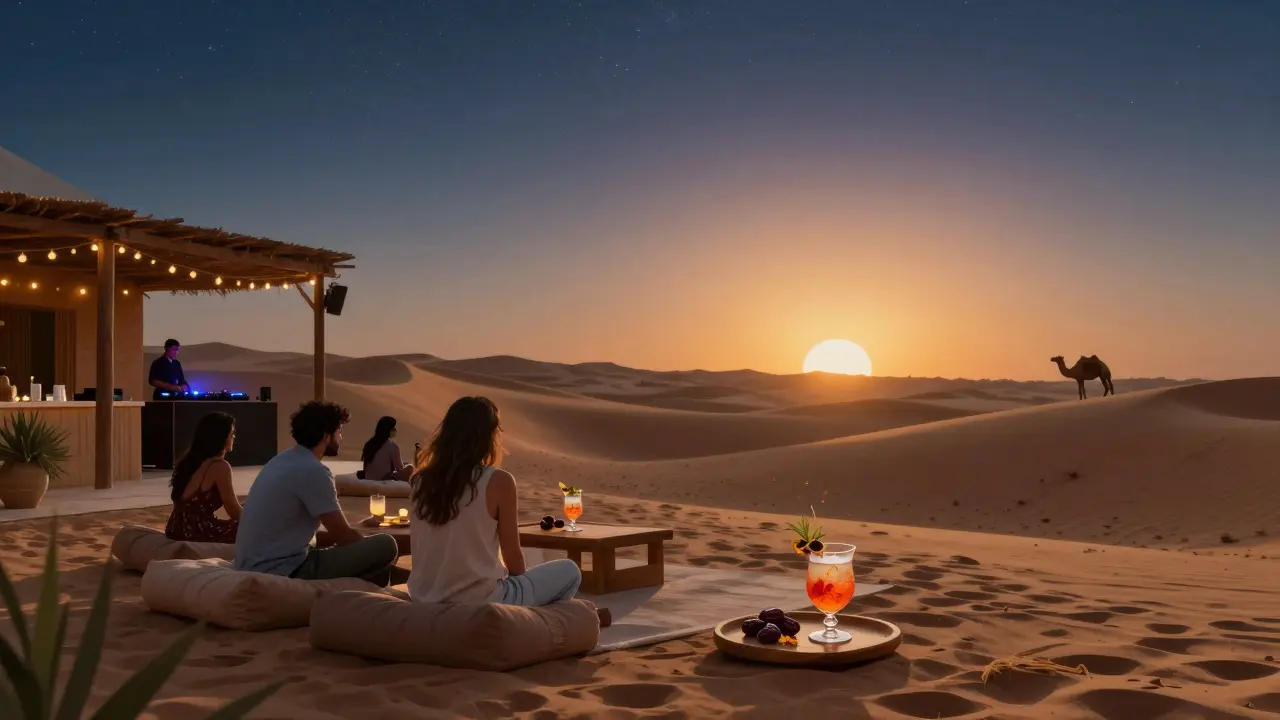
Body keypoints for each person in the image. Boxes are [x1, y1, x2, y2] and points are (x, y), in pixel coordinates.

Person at [409, 396, 582, 606]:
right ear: (488, 436)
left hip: (424, 598)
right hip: (483, 600)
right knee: (570, 571)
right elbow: (513, 558)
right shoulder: (498, 481)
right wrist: (522, 584)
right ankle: (534, 624)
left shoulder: (420, 481)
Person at [234, 400, 401, 585]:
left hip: (255, 565)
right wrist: (366, 544)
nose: (341, 437)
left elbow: (316, 533)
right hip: (286, 570)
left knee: (375, 561)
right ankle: (369, 600)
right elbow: (343, 537)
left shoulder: (281, 461)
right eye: (339, 431)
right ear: (325, 435)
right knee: (386, 545)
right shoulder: (313, 470)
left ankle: (375, 593)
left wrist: (358, 529)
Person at [164, 412, 241, 543]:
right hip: (196, 532)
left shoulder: (190, 461)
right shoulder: (219, 466)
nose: (234, 436)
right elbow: (234, 511)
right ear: (221, 437)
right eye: (231, 433)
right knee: (253, 528)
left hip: (175, 529)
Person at [361, 416, 413, 482]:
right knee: (410, 467)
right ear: (388, 430)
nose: (395, 430)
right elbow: (399, 469)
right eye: (393, 428)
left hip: (369, 478)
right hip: (384, 480)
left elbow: (366, 468)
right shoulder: (393, 446)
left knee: (406, 463)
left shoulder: (369, 444)